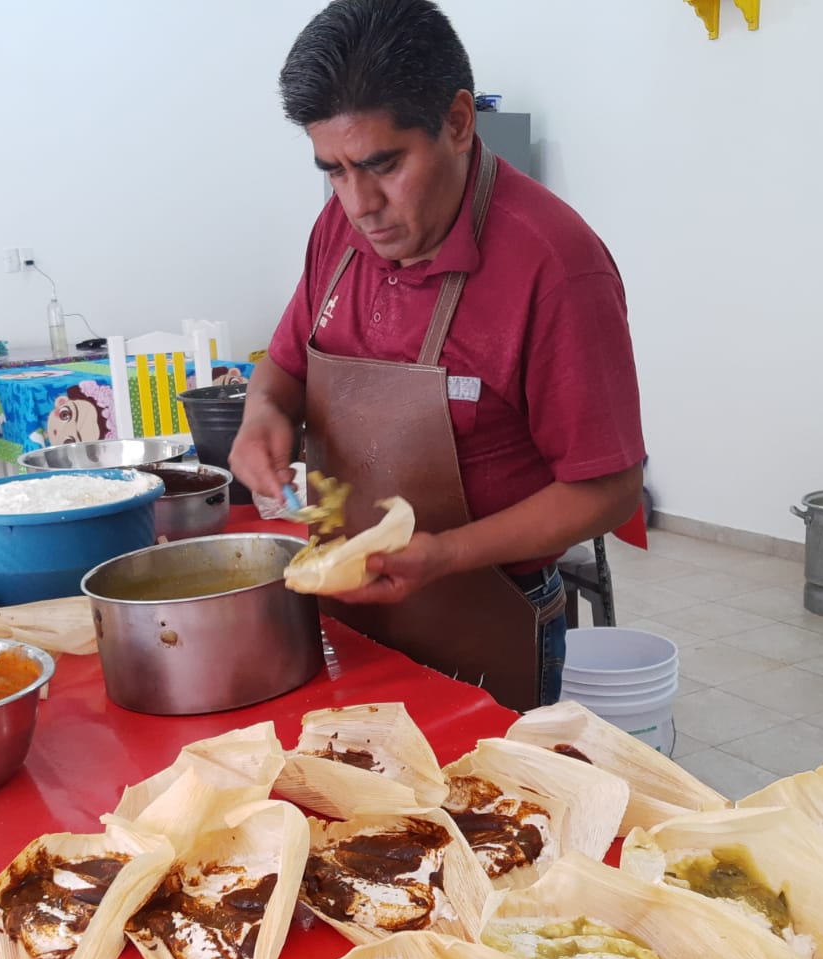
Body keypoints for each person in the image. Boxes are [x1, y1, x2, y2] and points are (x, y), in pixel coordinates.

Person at [229, 0, 645, 710]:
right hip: (353, 614)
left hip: (485, 618)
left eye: (383, 165)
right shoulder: (340, 228)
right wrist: (260, 412)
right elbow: (288, 363)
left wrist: (446, 554)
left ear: (457, 122)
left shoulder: (555, 267)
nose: (359, 204)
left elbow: (608, 488)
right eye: (332, 170)